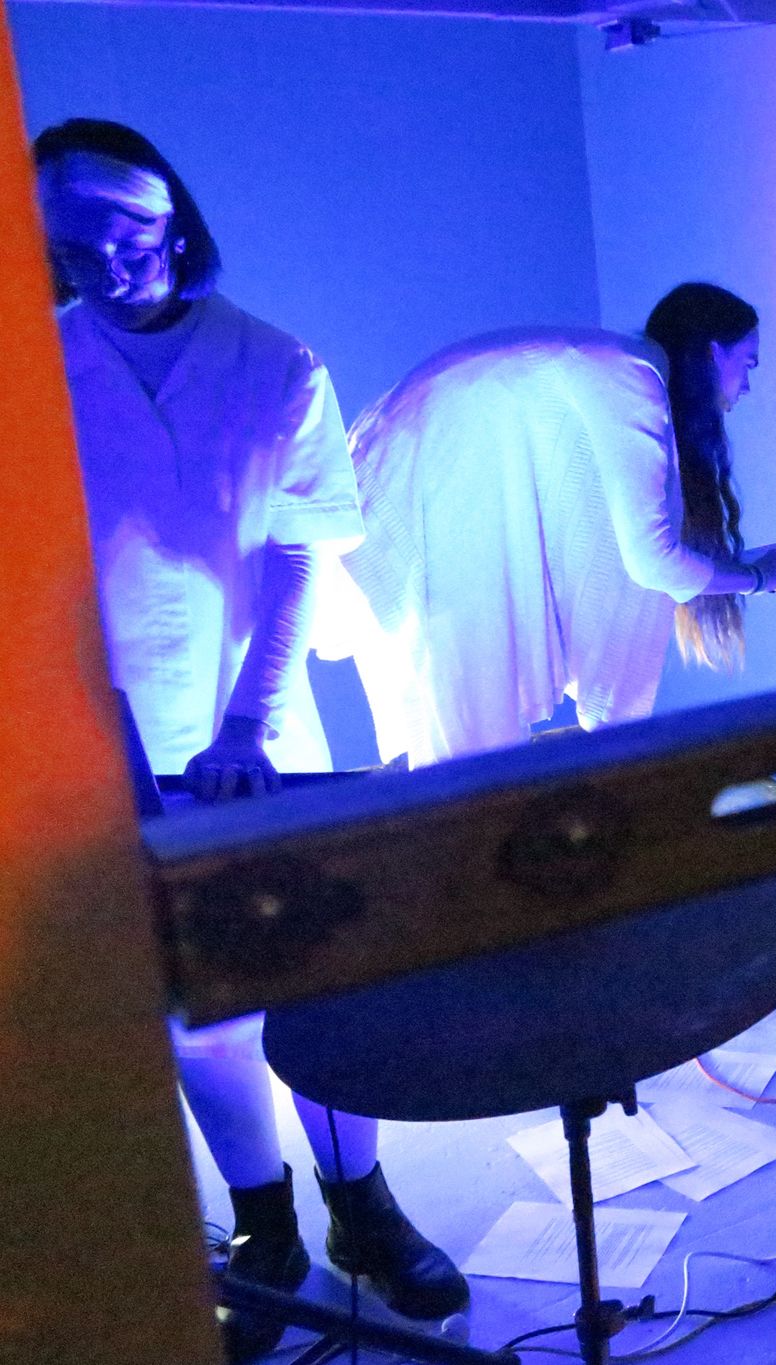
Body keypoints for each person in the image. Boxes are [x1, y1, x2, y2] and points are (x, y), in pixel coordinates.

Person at [34, 120, 468, 1359]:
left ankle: (360, 1208)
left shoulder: (277, 365)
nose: (102, 254)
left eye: (121, 222)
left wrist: (248, 721)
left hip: (251, 723)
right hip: (109, 738)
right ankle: (260, 1220)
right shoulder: (39, 369)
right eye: (69, 234)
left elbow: (298, 550)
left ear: (170, 215)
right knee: (195, 1003)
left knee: (319, 968)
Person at [338, 284, 776, 767]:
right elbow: (653, 561)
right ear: (714, 352)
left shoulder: (620, 367)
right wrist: (759, 577)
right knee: (466, 754)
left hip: (427, 488)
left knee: (470, 745)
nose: (749, 385)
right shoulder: (632, 376)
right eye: (748, 364)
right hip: (423, 501)